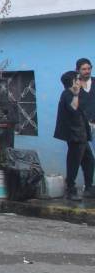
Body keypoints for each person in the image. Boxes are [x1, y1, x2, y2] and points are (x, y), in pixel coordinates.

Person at [55, 70, 94, 201]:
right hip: (75, 136)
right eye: (77, 79)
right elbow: (73, 109)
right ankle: (70, 189)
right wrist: (76, 95)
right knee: (74, 163)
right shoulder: (67, 94)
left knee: (89, 160)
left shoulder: (72, 93)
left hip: (81, 134)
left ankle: (89, 188)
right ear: (72, 82)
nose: (80, 81)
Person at [76, 59, 95, 163]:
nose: (87, 71)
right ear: (77, 70)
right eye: (84, 69)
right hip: (82, 129)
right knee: (87, 159)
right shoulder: (74, 85)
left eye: (89, 68)